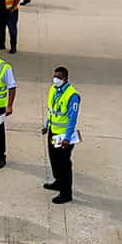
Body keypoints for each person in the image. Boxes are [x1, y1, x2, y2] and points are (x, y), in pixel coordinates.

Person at [43, 66, 80, 203]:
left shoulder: (72, 95)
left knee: (64, 164)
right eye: (54, 76)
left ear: (65, 78)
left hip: (64, 136)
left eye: (58, 77)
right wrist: (47, 125)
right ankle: (58, 182)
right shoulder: (53, 89)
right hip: (53, 132)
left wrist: (67, 137)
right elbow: (51, 110)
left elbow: (72, 118)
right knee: (54, 160)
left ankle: (66, 193)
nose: (55, 79)